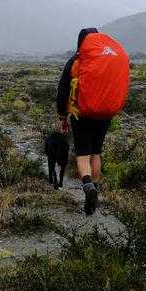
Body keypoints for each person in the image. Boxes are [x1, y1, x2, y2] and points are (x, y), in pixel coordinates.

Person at [56, 27, 111, 215]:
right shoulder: (106, 59)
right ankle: (95, 188)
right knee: (96, 153)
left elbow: (63, 90)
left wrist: (63, 117)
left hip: (81, 114)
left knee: (83, 155)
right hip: (104, 114)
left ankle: (88, 187)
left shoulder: (75, 61)